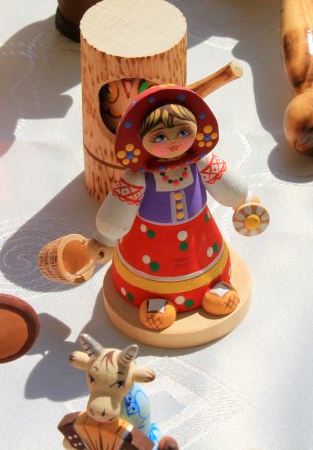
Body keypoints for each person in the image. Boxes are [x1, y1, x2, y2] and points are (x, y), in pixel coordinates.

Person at [88, 85, 253, 330]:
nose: (174, 142)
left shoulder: (200, 162)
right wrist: (106, 238)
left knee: (206, 263)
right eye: (160, 137)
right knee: (153, 278)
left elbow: (228, 185)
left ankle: (214, 287)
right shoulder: (138, 177)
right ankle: (156, 301)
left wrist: (243, 201)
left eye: (183, 132)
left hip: (200, 236)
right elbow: (120, 207)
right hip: (148, 241)